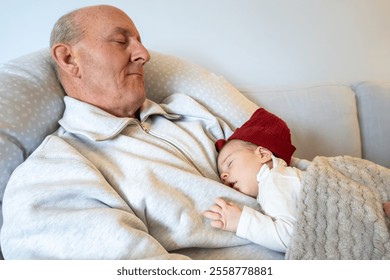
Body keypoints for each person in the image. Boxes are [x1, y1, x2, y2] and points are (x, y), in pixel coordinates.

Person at [0, 5, 267, 260]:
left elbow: (280, 168)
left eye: (139, 42)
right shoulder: (55, 170)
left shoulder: (189, 112)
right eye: (120, 41)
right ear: (69, 59)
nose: (144, 54)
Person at [203, 108, 307, 253]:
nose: (223, 176)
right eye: (221, 174)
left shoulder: (274, 179)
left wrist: (240, 221)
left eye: (230, 163)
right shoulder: (280, 179)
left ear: (263, 154)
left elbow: (291, 238)